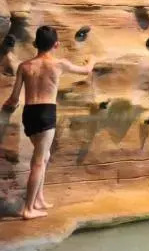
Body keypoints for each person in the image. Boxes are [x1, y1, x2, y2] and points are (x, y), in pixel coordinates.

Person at [1, 26, 94, 219]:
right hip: (46, 112)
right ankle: (28, 209)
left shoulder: (25, 66)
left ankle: (39, 199)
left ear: (36, 44)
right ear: (56, 44)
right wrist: (92, 60)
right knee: (38, 162)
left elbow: (15, 97)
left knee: (44, 155)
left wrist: (8, 105)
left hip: (30, 113)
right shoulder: (59, 64)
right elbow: (86, 71)